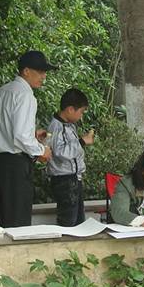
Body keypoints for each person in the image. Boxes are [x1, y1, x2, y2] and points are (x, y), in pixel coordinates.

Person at [0, 50, 53, 227]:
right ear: (26, 71)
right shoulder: (26, 95)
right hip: (15, 166)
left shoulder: (3, 90)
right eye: (40, 72)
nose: (44, 76)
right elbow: (20, 136)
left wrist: (32, 136)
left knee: (5, 222)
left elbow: (7, 129)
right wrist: (41, 150)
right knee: (18, 225)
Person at [47, 88, 95, 227]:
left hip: (74, 178)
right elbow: (61, 153)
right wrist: (81, 142)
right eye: (81, 112)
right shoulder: (57, 127)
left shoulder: (69, 125)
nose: (81, 116)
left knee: (79, 220)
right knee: (68, 220)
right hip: (64, 179)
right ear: (70, 110)